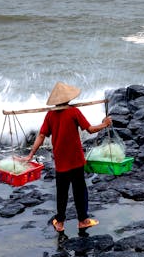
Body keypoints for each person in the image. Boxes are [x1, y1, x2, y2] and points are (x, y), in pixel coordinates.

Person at [24, 82, 112, 232]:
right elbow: (90, 129)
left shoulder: (50, 114)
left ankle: (60, 223)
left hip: (61, 161)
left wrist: (31, 154)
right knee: (79, 191)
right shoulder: (74, 112)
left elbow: (41, 135)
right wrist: (105, 124)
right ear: (68, 99)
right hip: (76, 160)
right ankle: (83, 220)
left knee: (61, 193)